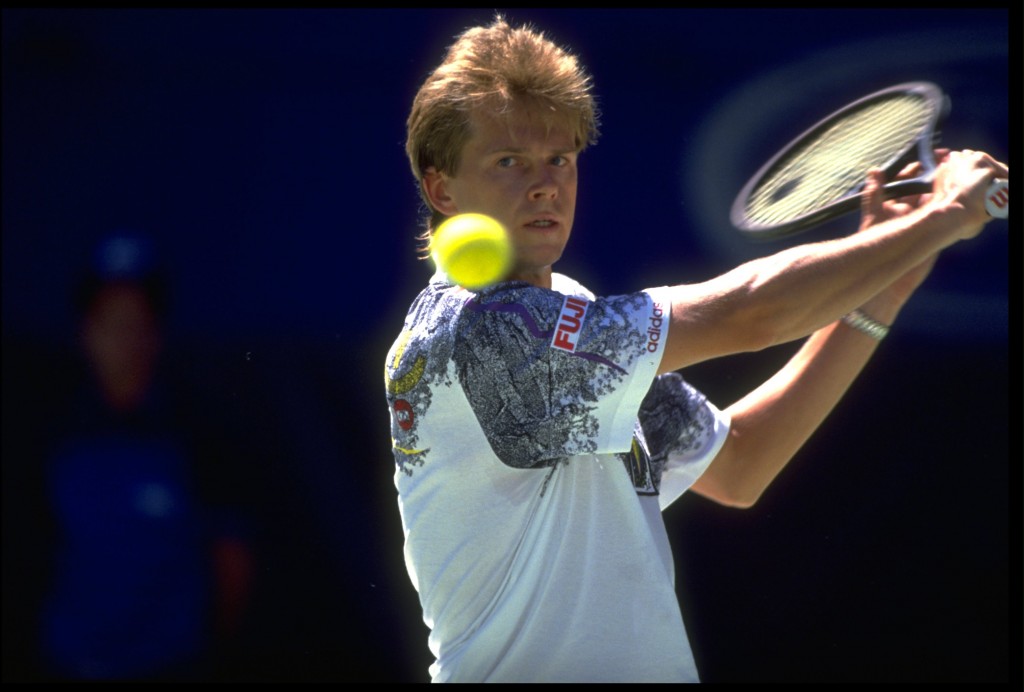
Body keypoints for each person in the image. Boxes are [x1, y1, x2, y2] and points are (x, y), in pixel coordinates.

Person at [383, 16, 1008, 683]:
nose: (544, 184)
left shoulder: (569, 315)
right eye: (509, 161)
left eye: (559, 159)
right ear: (440, 187)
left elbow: (740, 462)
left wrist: (878, 293)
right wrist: (944, 216)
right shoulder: (479, 329)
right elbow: (752, 314)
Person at [26, 234, 255, 682]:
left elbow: (231, 559)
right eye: (111, 322)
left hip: (173, 666)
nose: (125, 339)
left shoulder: (197, 432)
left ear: (157, 333)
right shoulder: (49, 432)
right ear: (86, 332)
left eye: (139, 322)